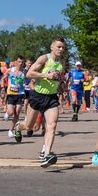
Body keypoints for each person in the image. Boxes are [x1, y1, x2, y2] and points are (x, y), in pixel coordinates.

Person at [14, 38, 68, 167]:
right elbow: (29, 74)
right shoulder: (44, 59)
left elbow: (59, 80)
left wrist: (62, 87)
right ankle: (18, 126)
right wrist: (46, 76)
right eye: (59, 47)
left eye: (63, 48)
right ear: (52, 47)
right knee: (29, 126)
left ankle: (46, 154)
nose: (61, 49)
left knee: (52, 126)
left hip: (52, 98)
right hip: (37, 95)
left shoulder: (61, 63)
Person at [3, 57, 27, 138]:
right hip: (11, 93)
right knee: (11, 112)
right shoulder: (10, 70)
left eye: (22, 62)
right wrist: (2, 87)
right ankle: (7, 113)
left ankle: (11, 130)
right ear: (15, 62)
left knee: (17, 113)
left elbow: (28, 80)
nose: (21, 63)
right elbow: (3, 77)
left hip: (20, 94)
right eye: (19, 61)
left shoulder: (24, 71)